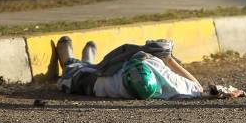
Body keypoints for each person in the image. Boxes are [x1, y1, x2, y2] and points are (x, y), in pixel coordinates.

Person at [56, 36, 203, 100]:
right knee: (91, 68)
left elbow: (85, 80)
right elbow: (199, 88)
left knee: (74, 75)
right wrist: (169, 59)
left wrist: (168, 59)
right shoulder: (169, 80)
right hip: (140, 66)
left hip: (96, 81)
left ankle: (69, 59)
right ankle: (87, 60)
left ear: (124, 75)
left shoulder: (112, 84)